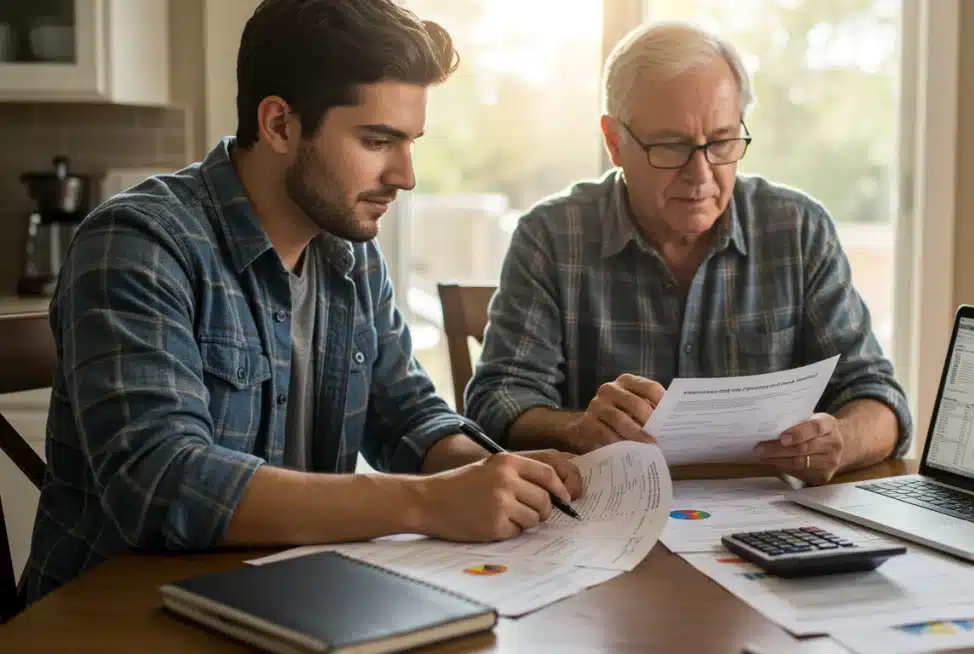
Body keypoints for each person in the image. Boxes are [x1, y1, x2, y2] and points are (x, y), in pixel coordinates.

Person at [24, 0, 581, 605]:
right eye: (378, 140)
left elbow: (408, 417)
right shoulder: (140, 243)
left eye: (411, 142)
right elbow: (162, 485)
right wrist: (427, 501)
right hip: (115, 617)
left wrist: (494, 473)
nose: (405, 175)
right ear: (279, 125)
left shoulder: (350, 253)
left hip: (285, 601)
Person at [465, 21, 912, 486]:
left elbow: (879, 398)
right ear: (614, 142)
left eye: (722, 142)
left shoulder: (798, 230)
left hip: (770, 511)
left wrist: (840, 440)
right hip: (609, 508)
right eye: (671, 146)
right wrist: (577, 428)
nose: (700, 174)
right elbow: (497, 401)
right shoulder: (552, 237)